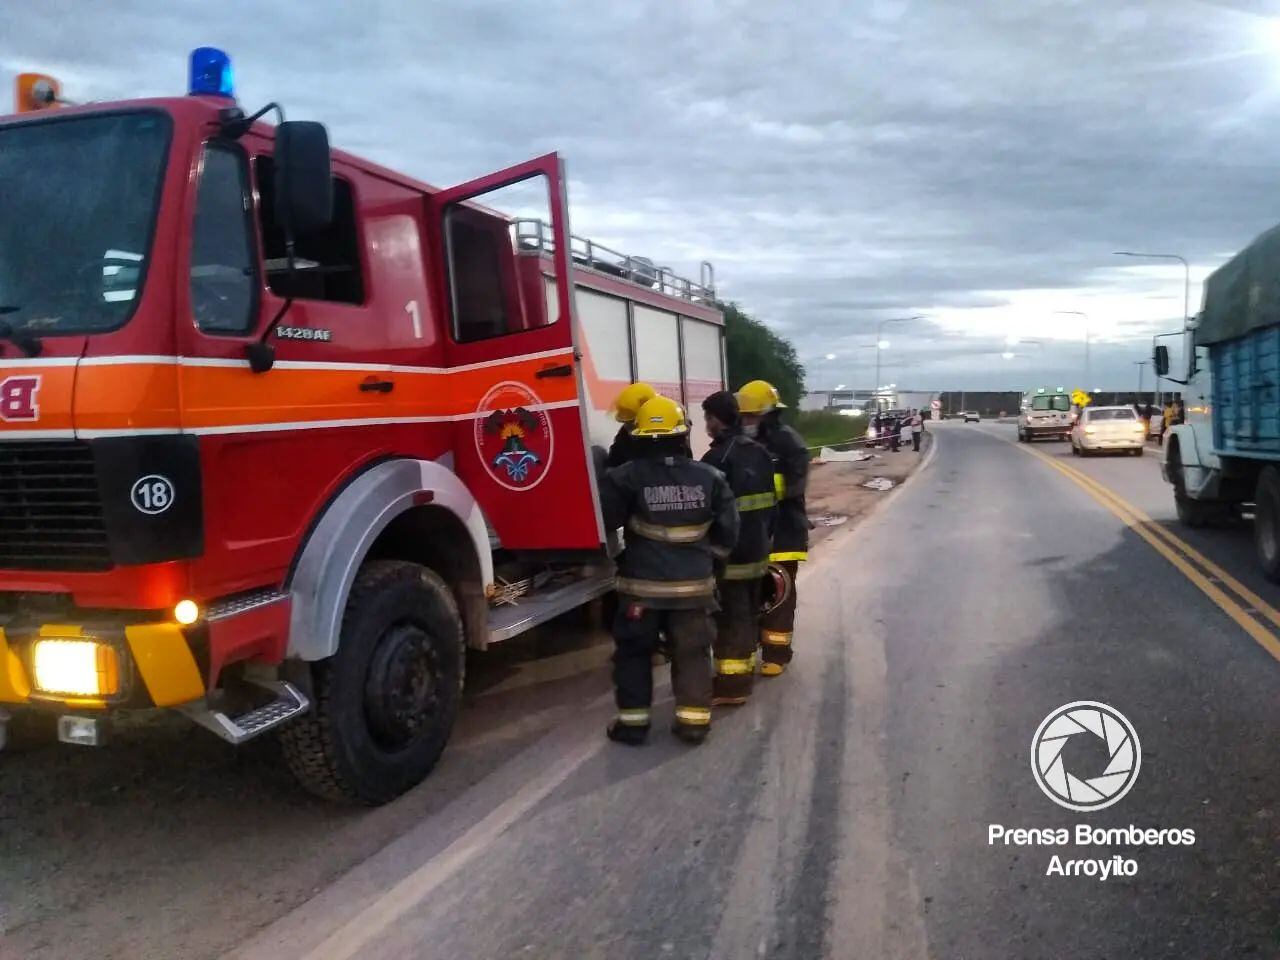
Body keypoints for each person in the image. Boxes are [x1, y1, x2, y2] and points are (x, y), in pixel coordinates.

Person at [599, 395, 738, 745]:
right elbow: (729, 530)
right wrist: (713, 563)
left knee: (633, 656)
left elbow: (608, 520)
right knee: (692, 654)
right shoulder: (711, 477)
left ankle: (633, 725)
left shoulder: (624, 477)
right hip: (694, 590)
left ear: (638, 436)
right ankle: (693, 722)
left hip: (640, 592)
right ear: (682, 435)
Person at [700, 390, 776, 706]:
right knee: (747, 614)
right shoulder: (759, 452)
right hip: (758, 549)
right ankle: (744, 672)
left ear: (717, 419)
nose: (706, 424)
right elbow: (772, 503)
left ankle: (732, 687)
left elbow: (707, 513)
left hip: (729, 556)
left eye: (708, 418)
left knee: (730, 619)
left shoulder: (715, 459)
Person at [736, 379, 809, 677]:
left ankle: (777, 652)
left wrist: (757, 487)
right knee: (751, 593)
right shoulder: (742, 442)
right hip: (752, 532)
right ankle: (751, 645)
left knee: (779, 594)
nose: (747, 422)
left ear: (768, 414)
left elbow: (795, 485)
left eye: (751, 417)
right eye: (743, 417)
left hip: (783, 531)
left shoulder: (789, 443)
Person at [606, 382, 657, 468]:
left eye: (632, 422)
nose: (628, 427)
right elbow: (614, 462)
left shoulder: (667, 437)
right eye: (626, 422)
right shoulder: (624, 436)